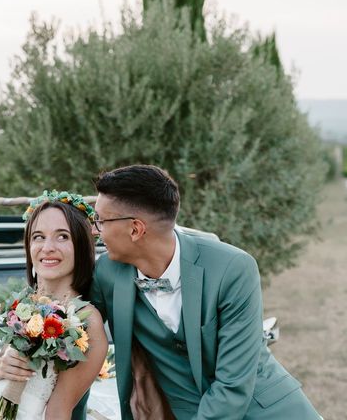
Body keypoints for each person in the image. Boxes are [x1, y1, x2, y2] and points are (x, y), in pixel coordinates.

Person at [90, 165, 321, 420]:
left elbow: (233, 386)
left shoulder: (233, 269)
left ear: (135, 229)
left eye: (100, 220)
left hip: (264, 413)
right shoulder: (108, 273)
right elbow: (74, 328)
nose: (94, 230)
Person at [0, 192, 108, 420]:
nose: (47, 247)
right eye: (38, 237)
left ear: (81, 246)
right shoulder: (12, 304)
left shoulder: (86, 320)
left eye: (62, 237)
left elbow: (59, 411)